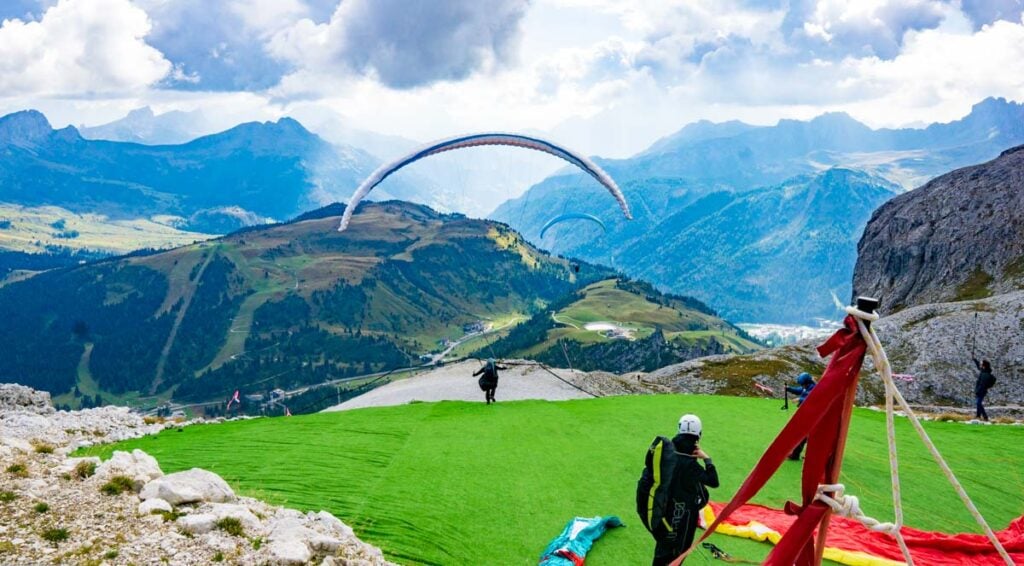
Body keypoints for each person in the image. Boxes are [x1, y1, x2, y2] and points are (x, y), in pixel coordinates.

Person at [650, 414, 719, 566]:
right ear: (698, 435)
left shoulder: (667, 454)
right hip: (684, 517)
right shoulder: (691, 465)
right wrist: (707, 459)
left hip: (664, 511)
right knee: (678, 554)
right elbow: (713, 481)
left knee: (662, 550)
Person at [786, 372, 816, 460]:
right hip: (804, 413)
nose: (802, 386)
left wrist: (800, 399)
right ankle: (796, 455)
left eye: (803, 384)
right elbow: (799, 390)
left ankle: (796, 455)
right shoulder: (806, 387)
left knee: (804, 436)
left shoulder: (814, 388)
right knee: (803, 436)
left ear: (807, 382)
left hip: (811, 415)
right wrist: (789, 389)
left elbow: (812, 398)